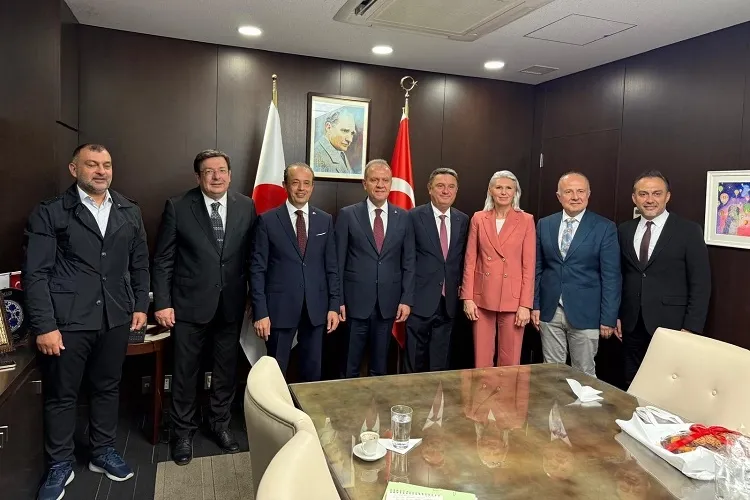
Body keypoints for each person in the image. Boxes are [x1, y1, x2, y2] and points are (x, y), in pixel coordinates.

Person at [23, 144, 149, 500]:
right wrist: (45, 326)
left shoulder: (129, 210)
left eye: (106, 164)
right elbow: (36, 274)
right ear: (73, 169)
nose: (101, 171)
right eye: (92, 164)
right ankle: (60, 463)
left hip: (115, 316)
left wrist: (140, 304)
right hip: (68, 321)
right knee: (62, 394)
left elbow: (140, 263)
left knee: (107, 387)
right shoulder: (50, 212)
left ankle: (102, 451)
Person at [152, 149, 257, 466]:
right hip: (188, 305)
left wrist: (253, 297)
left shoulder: (246, 205)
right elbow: (163, 259)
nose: (216, 176)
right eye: (209, 171)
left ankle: (220, 424)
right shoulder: (178, 206)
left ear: (230, 174)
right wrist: (163, 303)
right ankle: (182, 432)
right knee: (186, 372)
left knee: (225, 371)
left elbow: (252, 256)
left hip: (231, 304)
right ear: (198, 176)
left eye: (222, 170)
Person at [618, 170, 710, 384]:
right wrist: (617, 315)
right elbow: (620, 275)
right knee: (632, 382)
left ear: (667, 196)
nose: (649, 200)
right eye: (643, 194)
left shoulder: (688, 231)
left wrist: (691, 327)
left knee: (665, 386)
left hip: (672, 325)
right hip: (631, 324)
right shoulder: (624, 230)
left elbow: (701, 283)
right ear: (634, 198)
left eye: (656, 193)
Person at [250, 162, 340, 381]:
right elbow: (257, 270)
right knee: (275, 372)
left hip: (316, 309)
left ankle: (307, 406)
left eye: (306, 183)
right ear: (285, 185)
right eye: (296, 183)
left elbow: (332, 267)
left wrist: (334, 306)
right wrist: (260, 312)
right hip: (279, 309)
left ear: (312, 187)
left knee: (312, 371)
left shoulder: (325, 220)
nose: (301, 188)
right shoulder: (267, 220)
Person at [531, 172, 621, 378]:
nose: (575, 197)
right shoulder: (545, 224)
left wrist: (608, 318)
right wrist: (535, 305)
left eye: (580, 191)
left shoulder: (604, 227)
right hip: (550, 309)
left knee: (584, 374)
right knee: (551, 372)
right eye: (568, 192)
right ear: (559, 196)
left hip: (587, 313)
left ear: (588, 194)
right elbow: (537, 268)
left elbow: (611, 276)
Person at [336, 159, 415, 377]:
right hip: (354, 303)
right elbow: (338, 262)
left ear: (391, 184)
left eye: (385, 180)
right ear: (364, 183)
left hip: (388, 304)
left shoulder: (404, 217)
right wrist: (338, 300)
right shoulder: (348, 214)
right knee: (349, 366)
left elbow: (409, 261)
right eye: (374, 180)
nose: (380, 185)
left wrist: (406, 299)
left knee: (380, 368)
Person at [461, 170, 535, 367]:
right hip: (482, 298)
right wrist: (467, 298)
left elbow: (529, 266)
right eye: (499, 187)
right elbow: (470, 261)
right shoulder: (478, 218)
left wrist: (525, 305)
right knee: (481, 360)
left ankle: (507, 391)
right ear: (490, 190)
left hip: (513, 300)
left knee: (510, 361)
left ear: (515, 192)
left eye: (508, 188)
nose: (503, 192)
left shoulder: (526, 220)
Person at [406, 168, 469, 372]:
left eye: (451, 187)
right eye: (440, 186)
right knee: (415, 362)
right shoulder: (413, 216)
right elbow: (407, 260)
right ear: (430, 189)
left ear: (456, 190)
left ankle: (436, 395)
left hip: (448, 302)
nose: (445, 191)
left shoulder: (462, 220)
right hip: (419, 301)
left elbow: (461, 260)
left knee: (440, 364)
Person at [313, 110, 358, 175]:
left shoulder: (339, 150)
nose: (350, 139)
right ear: (328, 127)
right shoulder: (317, 156)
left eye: (352, 133)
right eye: (345, 131)